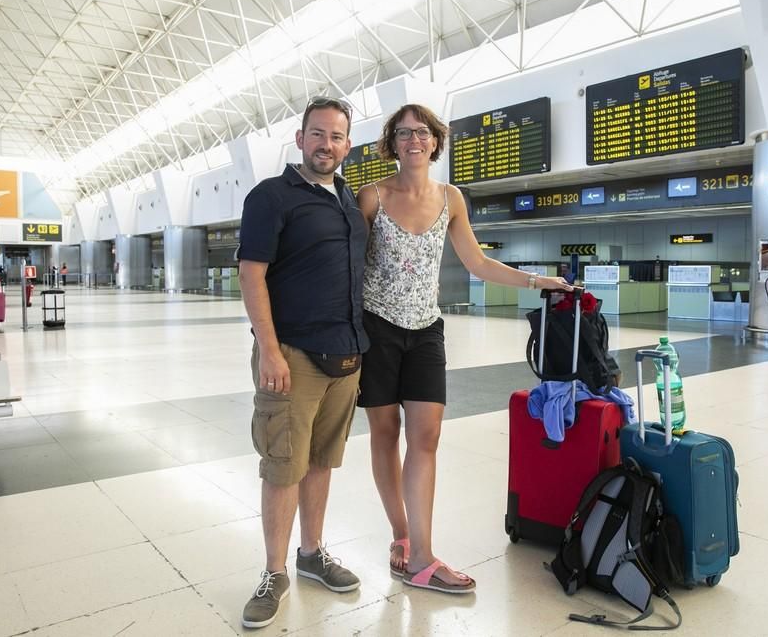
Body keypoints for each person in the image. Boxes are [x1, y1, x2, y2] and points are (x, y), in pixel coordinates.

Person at [356, 104, 573, 594]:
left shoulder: (451, 198)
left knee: (426, 437)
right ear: (392, 143)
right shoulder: (372, 196)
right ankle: (402, 535)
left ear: (436, 141)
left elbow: (477, 262)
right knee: (385, 434)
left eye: (423, 133)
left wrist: (539, 280)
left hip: (426, 330)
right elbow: (346, 264)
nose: (414, 140)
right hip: (378, 330)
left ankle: (423, 557)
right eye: (404, 133)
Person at [236, 96, 369, 629]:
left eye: (336, 137)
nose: (326, 145)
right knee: (283, 465)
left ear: (347, 145)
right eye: (317, 134)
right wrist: (269, 349)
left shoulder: (349, 200)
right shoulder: (272, 197)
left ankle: (311, 554)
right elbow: (252, 274)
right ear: (300, 139)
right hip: (291, 354)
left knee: (320, 460)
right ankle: (274, 572)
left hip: (346, 355)